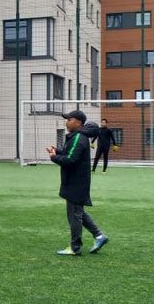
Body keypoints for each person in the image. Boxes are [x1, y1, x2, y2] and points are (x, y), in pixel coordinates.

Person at [46, 110, 108, 256]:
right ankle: (99, 236)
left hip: (76, 184)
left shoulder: (78, 137)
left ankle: (75, 247)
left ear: (78, 122)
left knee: (74, 215)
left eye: (69, 119)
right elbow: (70, 154)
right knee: (78, 213)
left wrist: (54, 157)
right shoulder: (78, 137)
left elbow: (70, 160)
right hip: (76, 183)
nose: (66, 122)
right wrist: (58, 151)